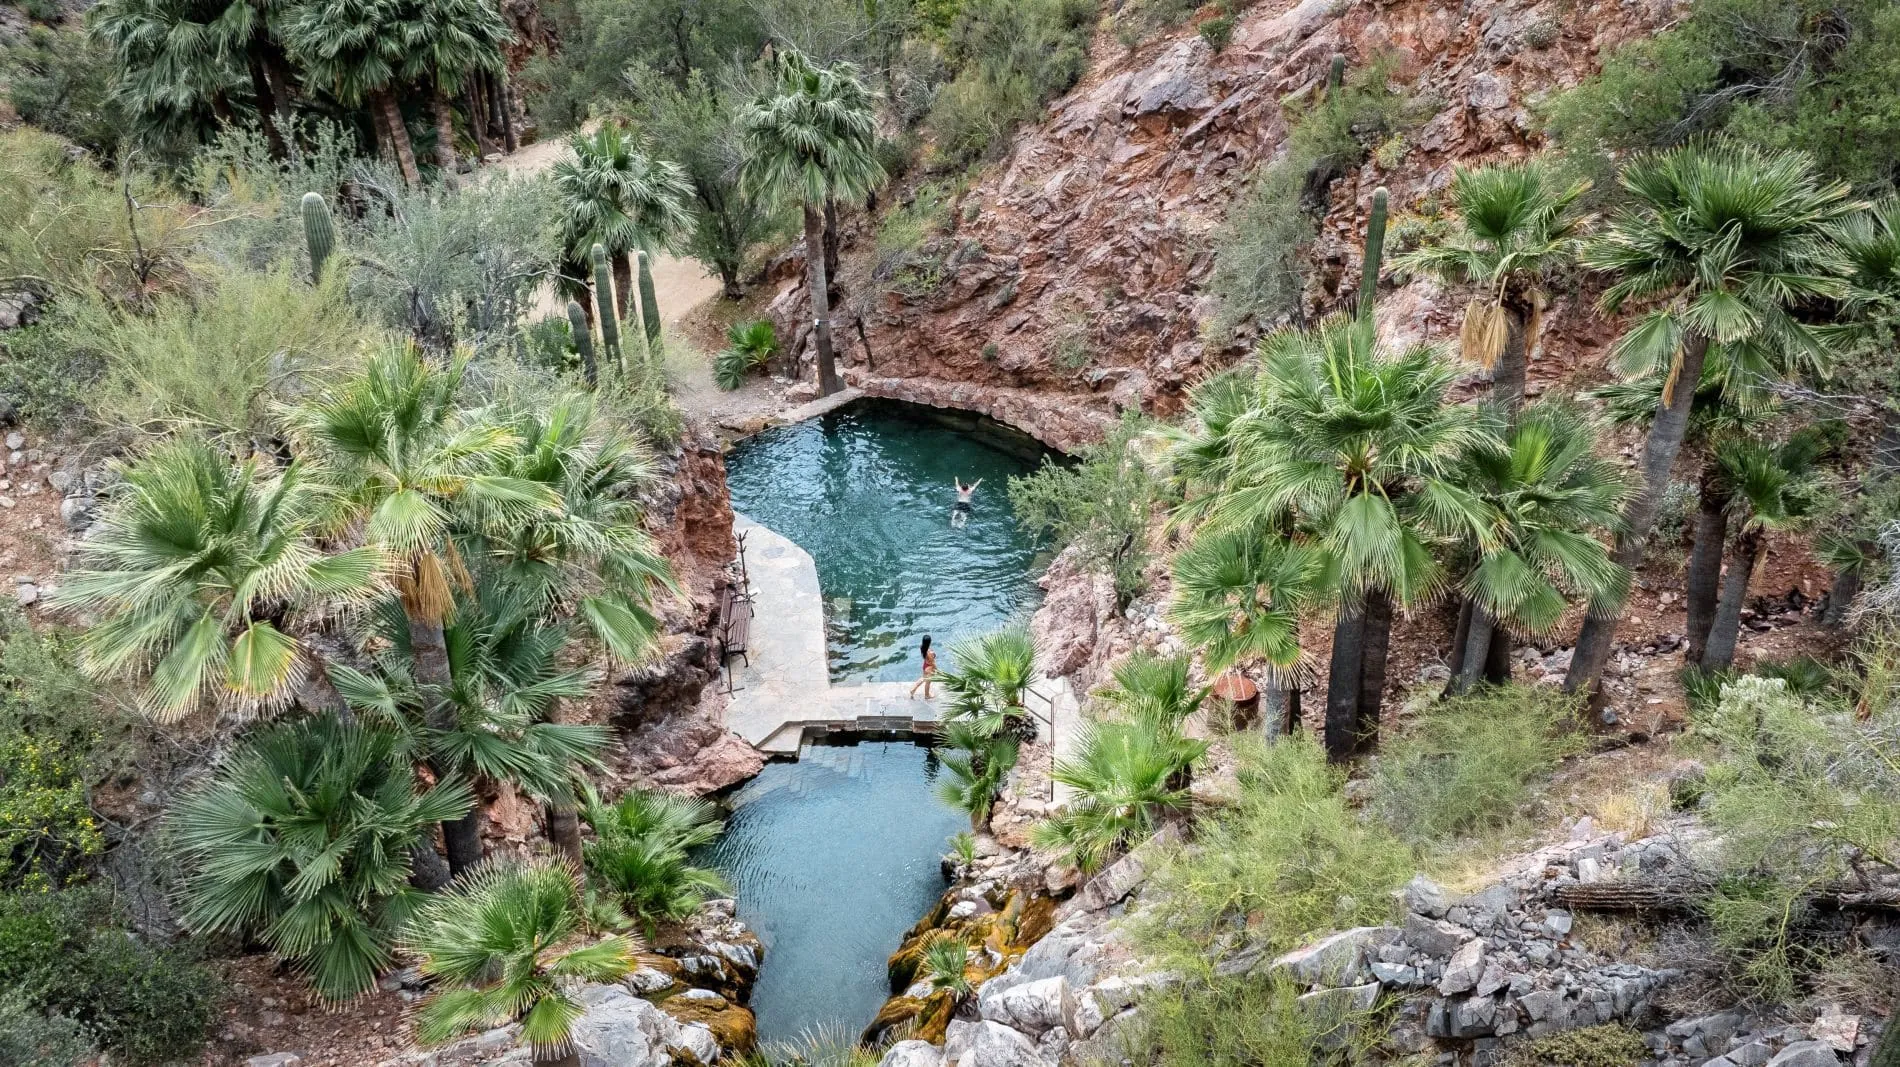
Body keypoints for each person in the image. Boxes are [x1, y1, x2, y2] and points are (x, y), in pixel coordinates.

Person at [909, 635, 937, 699]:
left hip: (925, 665)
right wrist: (937, 670)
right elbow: (933, 663)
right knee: (928, 682)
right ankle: (927, 695)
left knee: (923, 678)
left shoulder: (922, 647)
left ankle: (913, 689)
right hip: (929, 668)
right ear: (929, 642)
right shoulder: (930, 653)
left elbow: (928, 658)